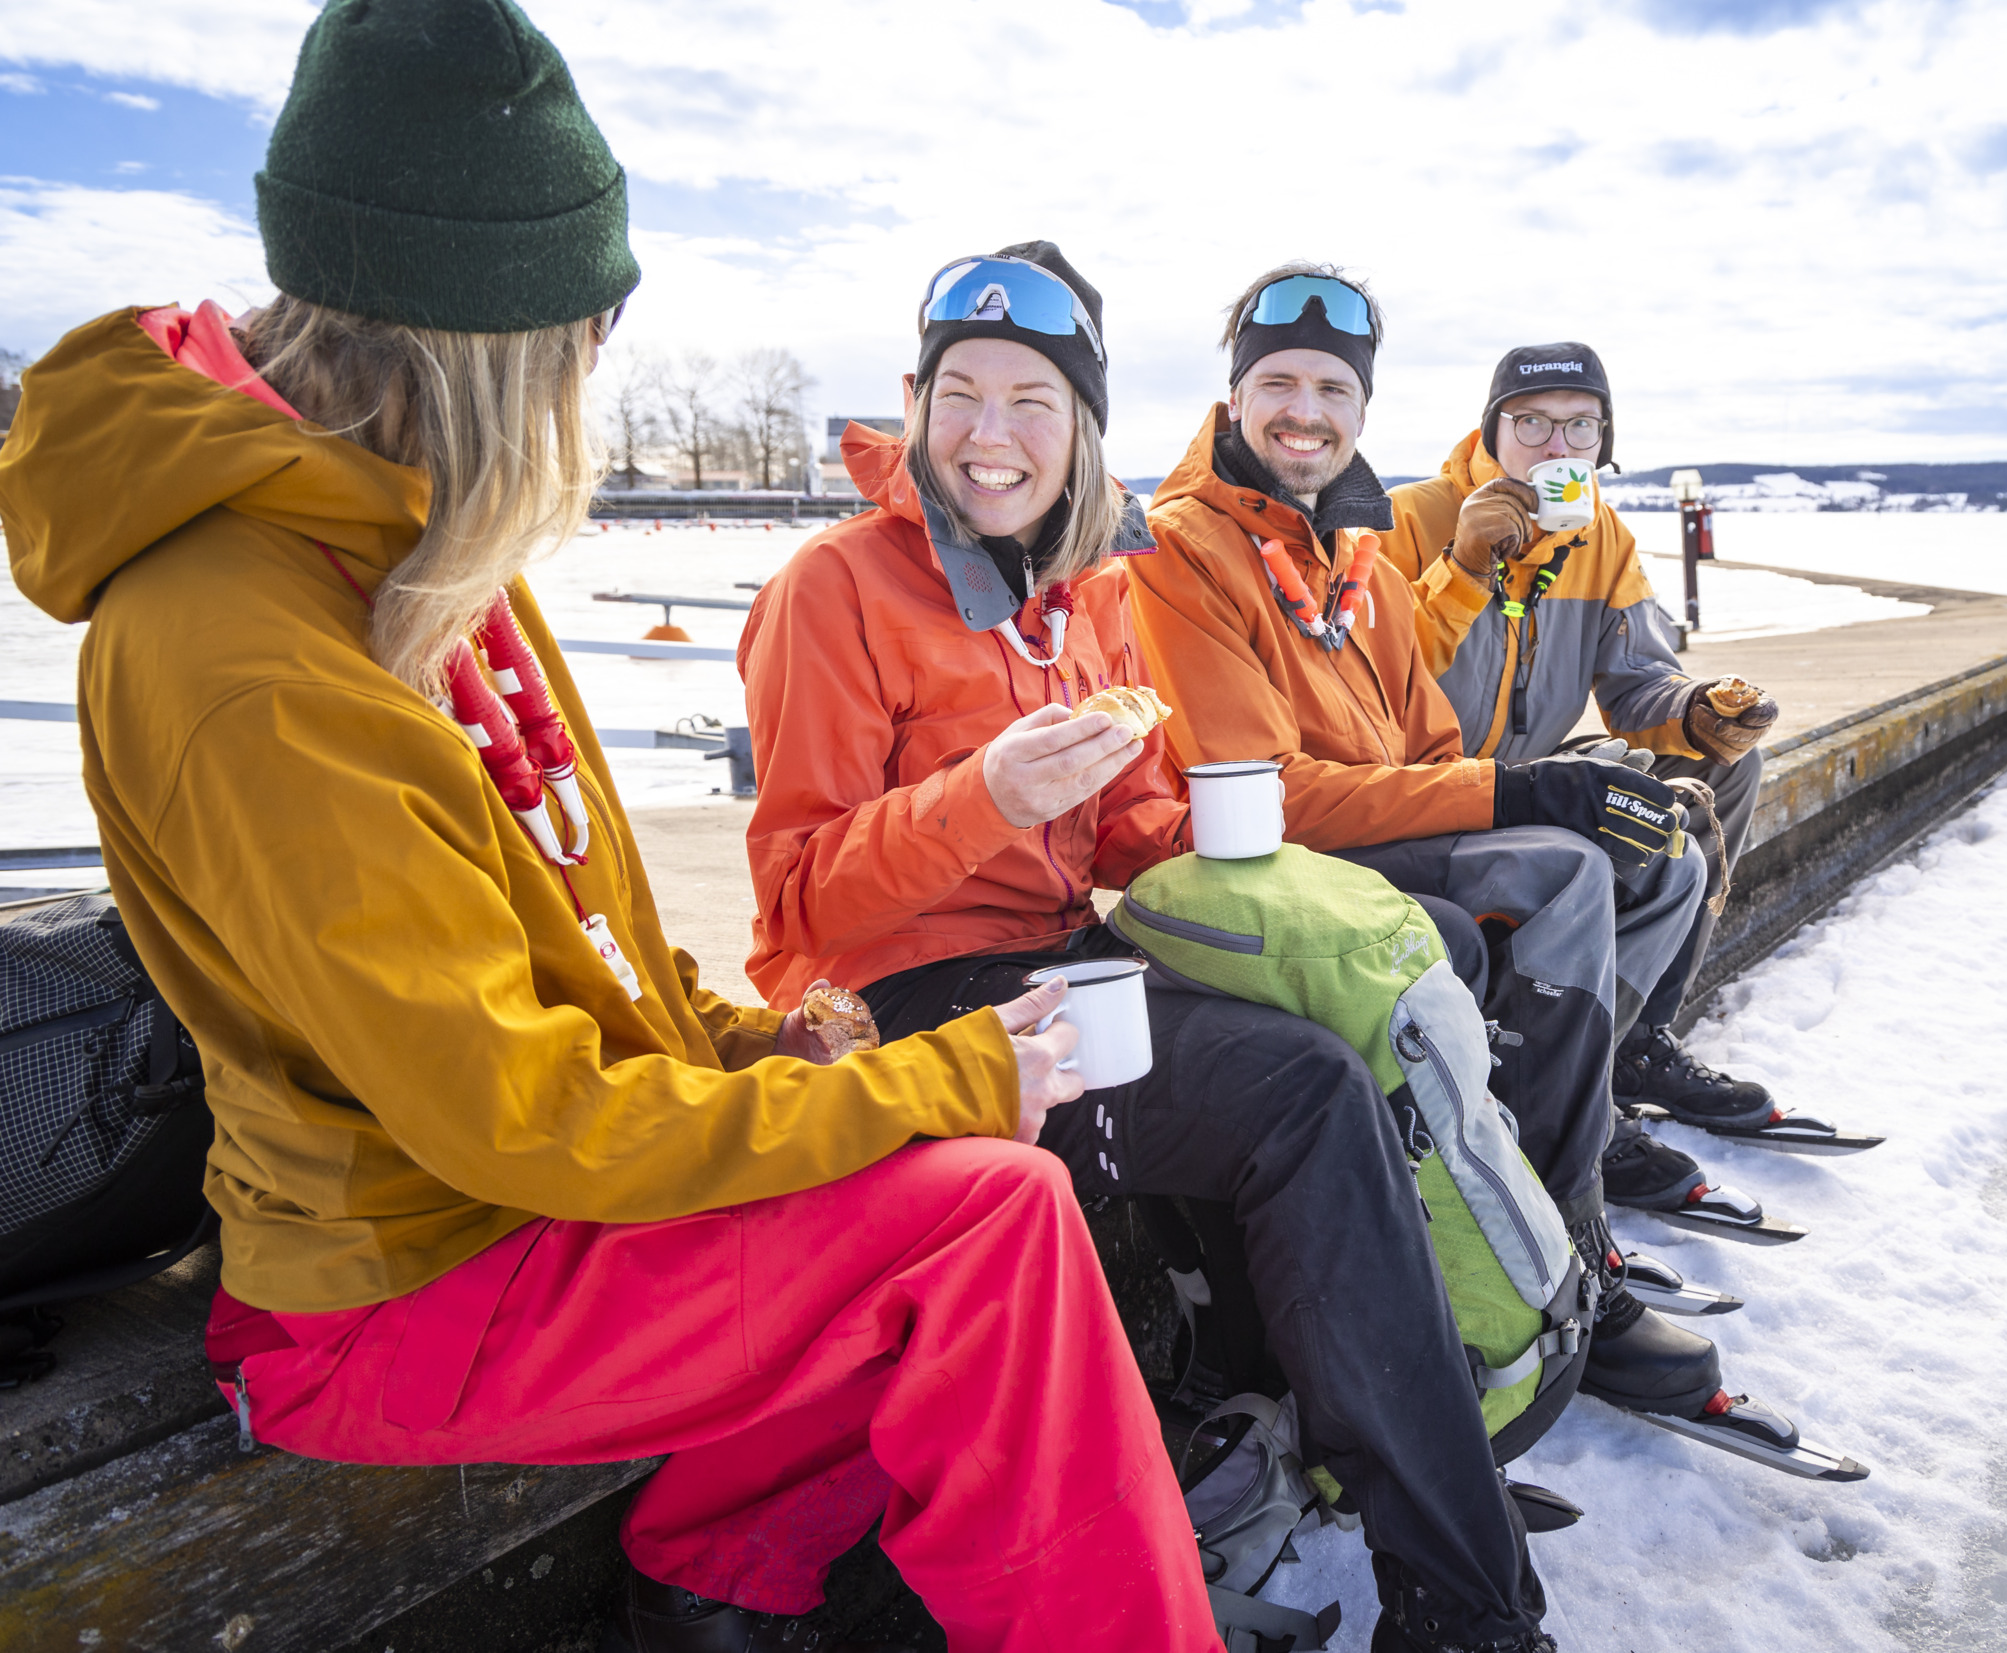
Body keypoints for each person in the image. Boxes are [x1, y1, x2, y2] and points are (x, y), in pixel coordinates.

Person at [0, 8, 1213, 1652]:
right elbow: (525, 1117)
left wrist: (766, 1044)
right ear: (484, 333)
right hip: (400, 1287)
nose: (596, 365)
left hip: (518, 1204)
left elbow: (598, 952)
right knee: (984, 1218)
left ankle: (719, 1578)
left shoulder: (426, 548)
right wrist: (937, 1072)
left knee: (928, 1155)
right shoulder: (248, 655)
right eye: (590, 325)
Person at [738, 242, 1560, 1653]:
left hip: (1067, 958)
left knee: (1381, 993)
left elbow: (1128, 837)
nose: (992, 438)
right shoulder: (836, 589)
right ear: (920, 401)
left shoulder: (1095, 592)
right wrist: (981, 798)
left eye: (1033, 404)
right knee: (1295, 1094)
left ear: (1083, 429)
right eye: (962, 396)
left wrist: (1224, 832)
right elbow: (802, 908)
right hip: (909, 1008)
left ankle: (1378, 1421)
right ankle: (1465, 1603)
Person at [1126, 265, 1801, 1451]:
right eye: (1274, 383)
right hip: (1274, 864)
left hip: (1409, 812)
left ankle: (1585, 1124)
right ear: (1232, 401)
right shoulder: (1235, 544)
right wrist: (1513, 746)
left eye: (1330, 387)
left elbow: (1436, 736)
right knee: (1563, 873)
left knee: (1651, 840)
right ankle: (1565, 1247)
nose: (1303, 409)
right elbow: (1258, 793)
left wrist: (1681, 732)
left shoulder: (1364, 545)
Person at [1370, 342, 1797, 1158]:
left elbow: (1636, 684)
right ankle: (1569, 1080)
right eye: (1531, 424)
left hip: (1526, 769)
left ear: (1604, 443)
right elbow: (1372, 678)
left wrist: (1702, 714)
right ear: (1490, 431)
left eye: (1581, 428)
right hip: (1419, 788)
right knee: (1611, 829)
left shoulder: (1601, 537)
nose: (1556, 449)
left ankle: (1634, 1041)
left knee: (1720, 770)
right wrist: (1462, 563)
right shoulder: (1407, 519)